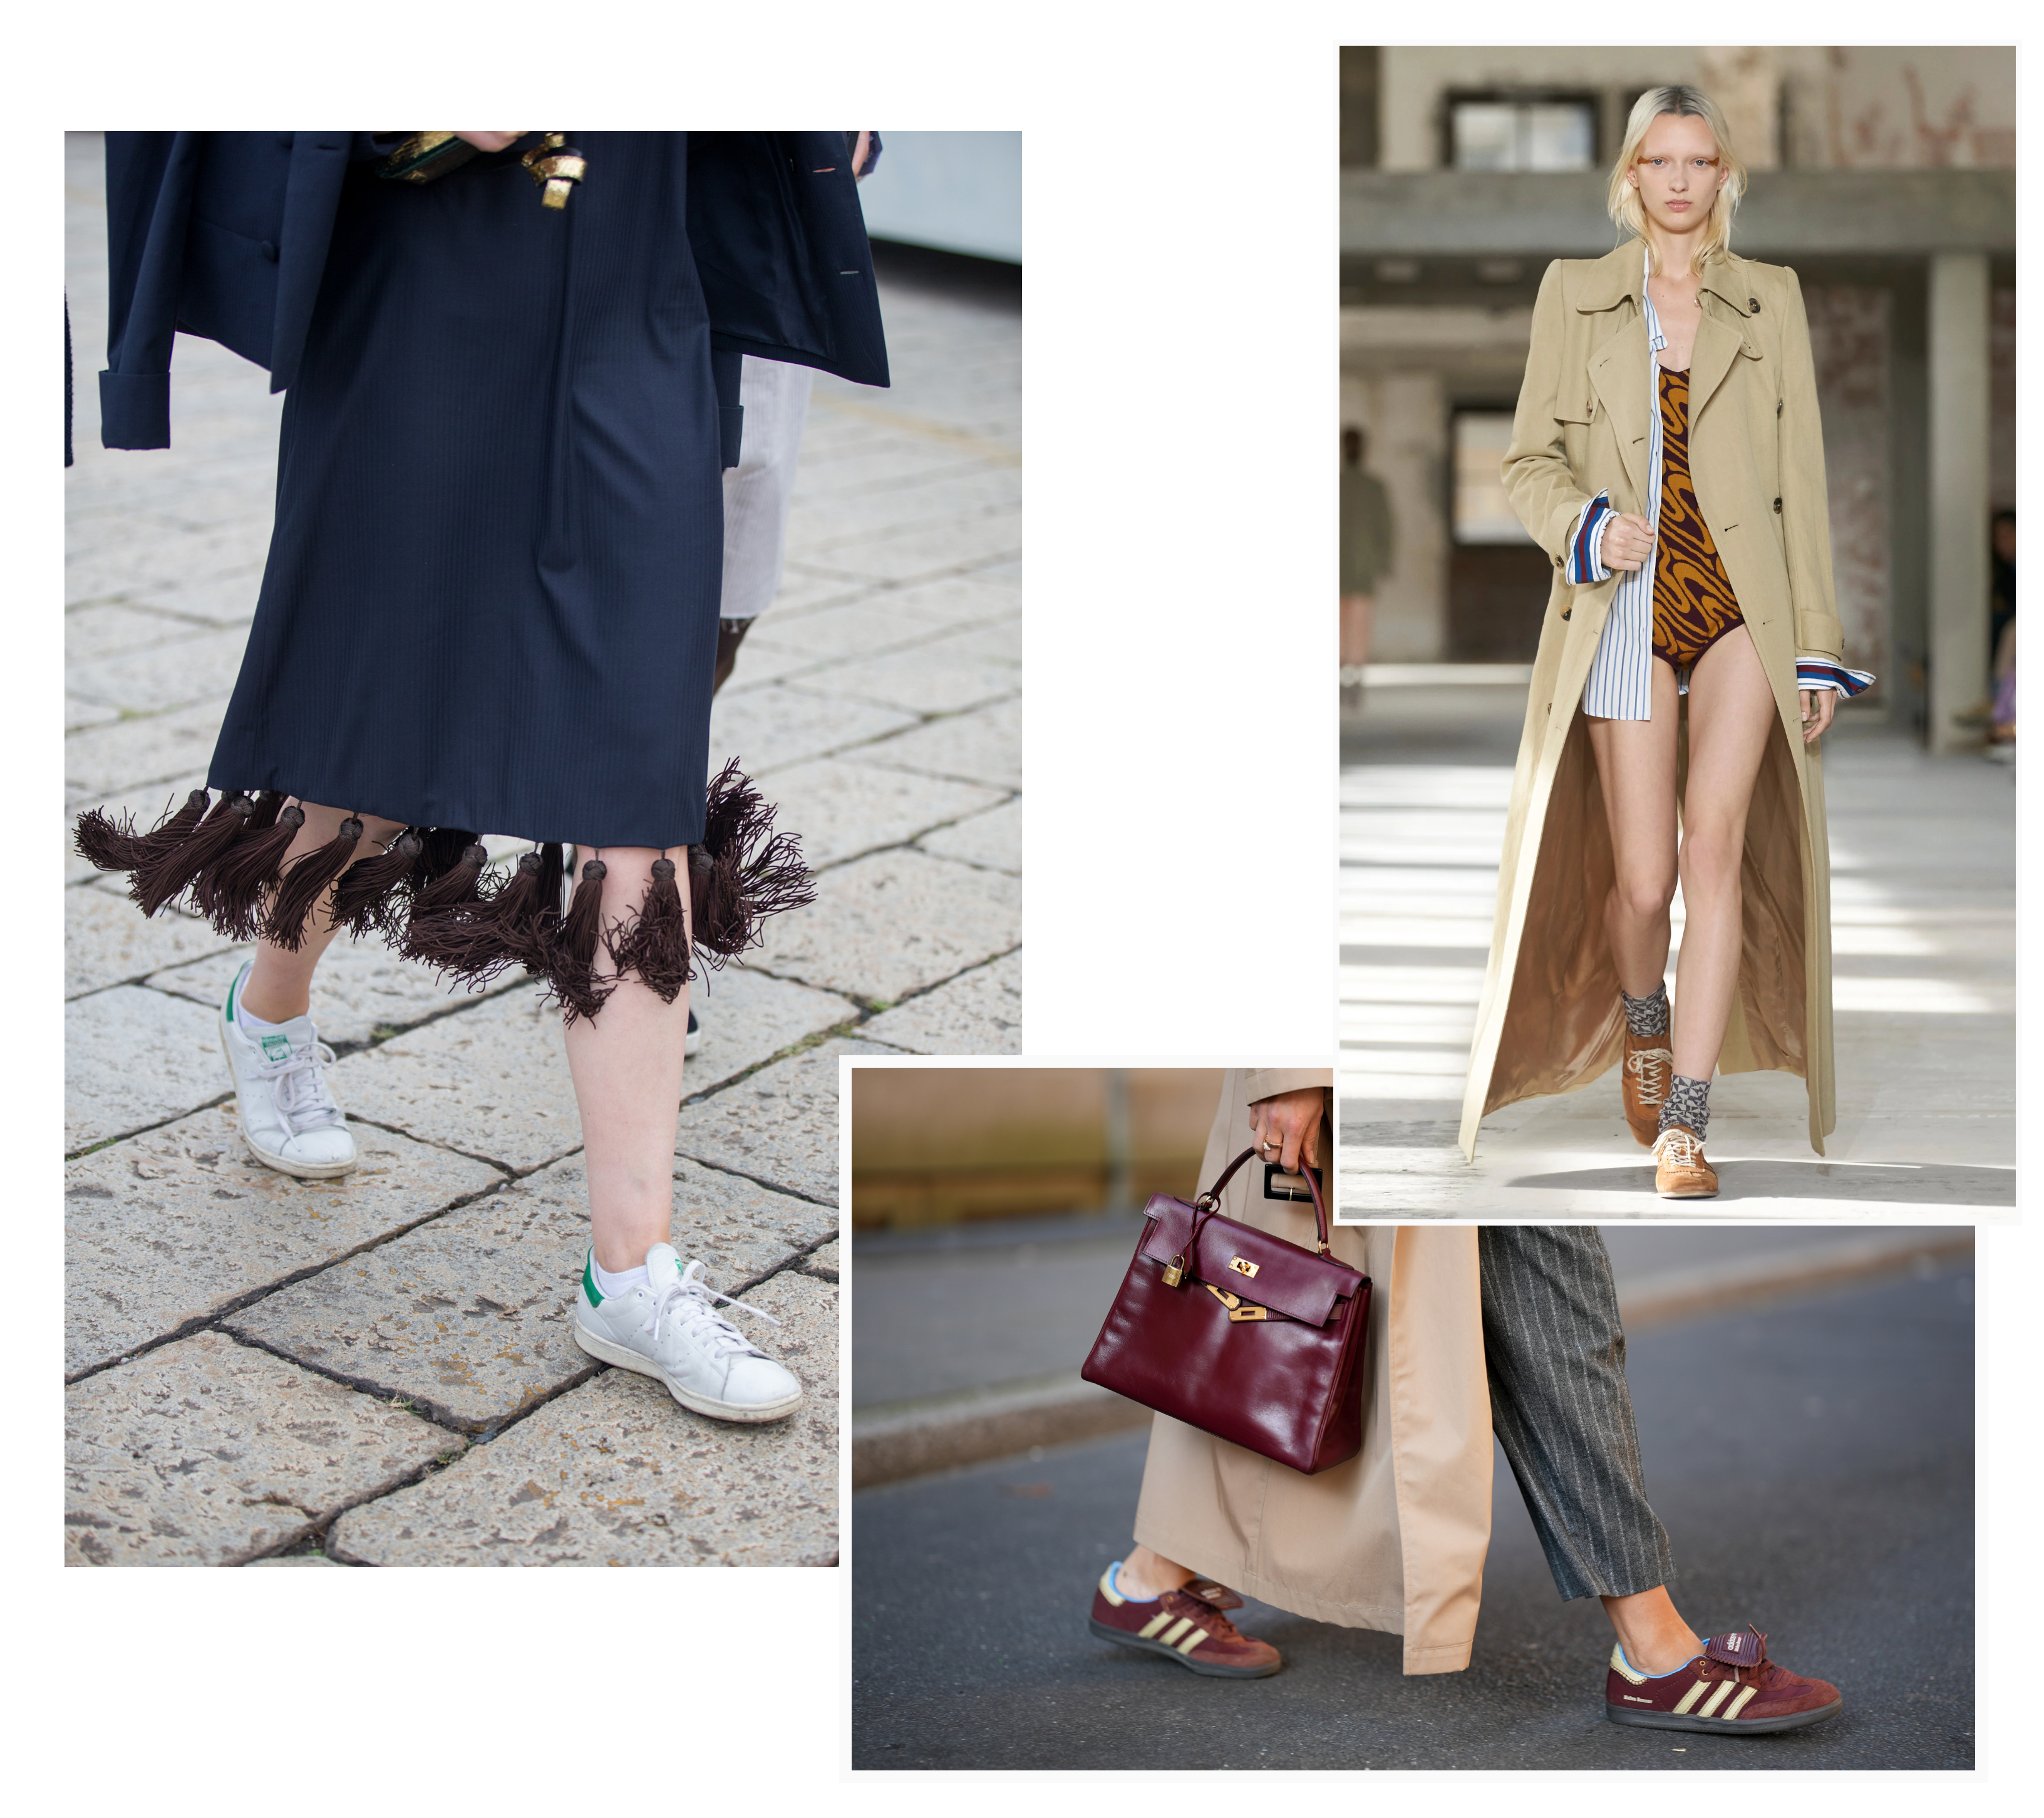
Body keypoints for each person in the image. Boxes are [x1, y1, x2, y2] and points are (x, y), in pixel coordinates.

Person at [75, 130, 889, 1425]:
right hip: (421, 282)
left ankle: (631, 1271)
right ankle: (271, 1007)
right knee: (375, 765)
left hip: (638, 289)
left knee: (642, 794)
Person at [1086, 1072, 1842, 1733]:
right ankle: (1655, 1647)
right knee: (1278, 1339)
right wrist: (1292, 1061)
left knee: (1560, 1320)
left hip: (1487, 1077)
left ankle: (1653, 1644)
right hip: (1368, 1065)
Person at [1457, 86, 1872, 1197]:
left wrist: (1812, 642)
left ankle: (1685, 1123)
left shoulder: (1766, 299)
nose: (1678, 180)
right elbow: (1524, 461)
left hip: (1740, 606)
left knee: (1713, 852)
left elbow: (1800, 479)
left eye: (1698, 161)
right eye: (1658, 160)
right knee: (1642, 882)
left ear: (1722, 175)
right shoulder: (1577, 295)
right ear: (1630, 175)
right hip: (1627, 606)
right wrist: (1584, 525)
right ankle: (1641, 1017)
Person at [1339, 424, 1393, 674]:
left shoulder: (1373, 487)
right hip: (1354, 565)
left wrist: (1384, 561)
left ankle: (1354, 671)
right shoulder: (1369, 486)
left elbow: (1386, 528)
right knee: (1348, 621)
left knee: (1356, 620)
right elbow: (1386, 528)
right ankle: (1348, 670)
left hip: (1361, 565)